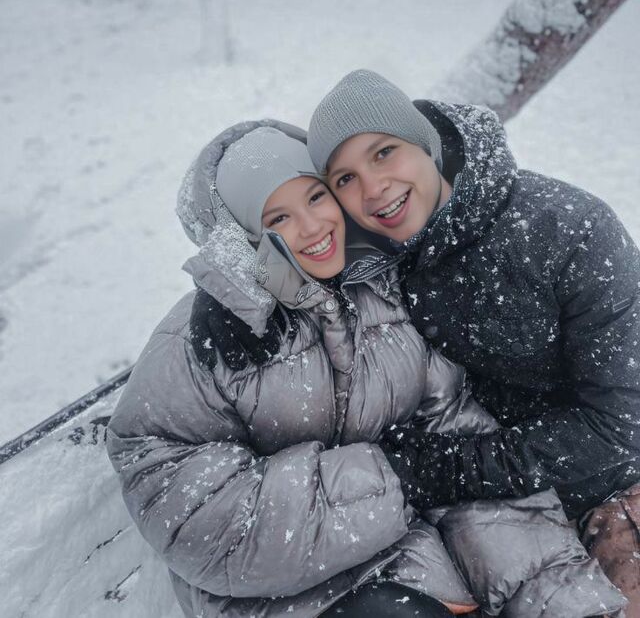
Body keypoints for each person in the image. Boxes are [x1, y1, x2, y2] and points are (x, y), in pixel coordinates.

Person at [107, 122, 625, 618]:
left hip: (414, 569)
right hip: (287, 593)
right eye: (278, 218)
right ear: (245, 236)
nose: (313, 227)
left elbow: (452, 443)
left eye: (316, 197)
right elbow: (189, 507)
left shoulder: (382, 293)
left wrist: (551, 594)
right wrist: (387, 478)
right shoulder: (206, 338)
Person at [306, 68, 640, 612]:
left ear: (426, 144)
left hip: (610, 491)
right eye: (344, 179)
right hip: (480, 520)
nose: (372, 188)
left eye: (384, 152)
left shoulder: (568, 231)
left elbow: (621, 426)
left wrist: (444, 468)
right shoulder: (367, 255)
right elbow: (272, 219)